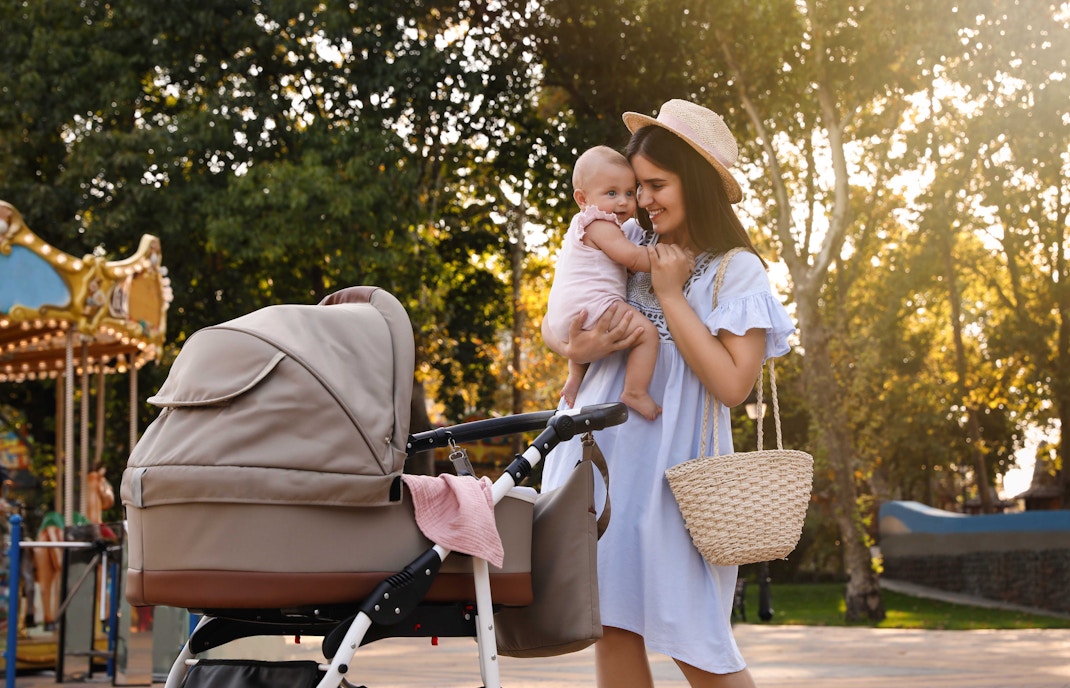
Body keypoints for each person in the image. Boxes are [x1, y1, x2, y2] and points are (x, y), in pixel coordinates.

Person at [541, 99, 795, 688]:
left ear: (697, 184)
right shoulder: (623, 237)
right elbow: (564, 313)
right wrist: (573, 349)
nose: (643, 199)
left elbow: (733, 386)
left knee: (698, 641)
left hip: (678, 483)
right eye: (637, 186)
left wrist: (673, 295)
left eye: (657, 184)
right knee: (612, 627)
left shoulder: (736, 271)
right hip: (603, 468)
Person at [545, 145, 662, 420]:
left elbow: (606, 266)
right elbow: (632, 257)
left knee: (587, 325)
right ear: (582, 198)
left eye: (629, 193)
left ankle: (574, 380)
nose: (623, 202)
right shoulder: (600, 224)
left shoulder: (579, 226)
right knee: (647, 334)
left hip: (566, 313)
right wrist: (663, 259)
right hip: (591, 306)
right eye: (612, 193)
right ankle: (635, 391)